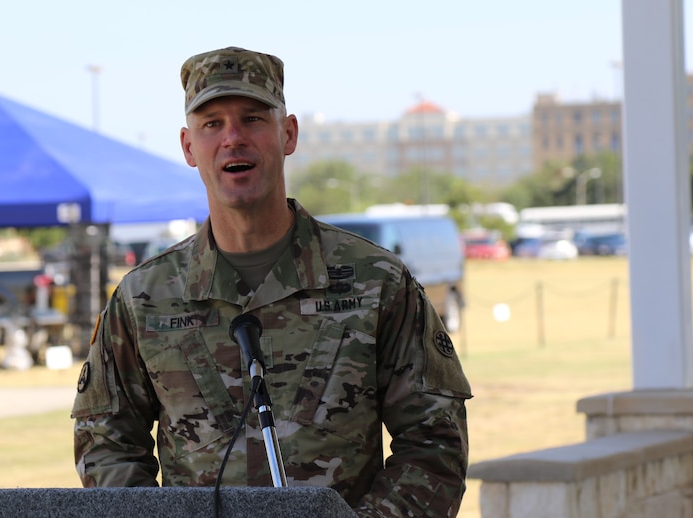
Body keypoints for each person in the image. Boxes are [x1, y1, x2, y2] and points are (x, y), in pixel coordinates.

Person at [72, 46, 472, 517]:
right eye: (212, 124)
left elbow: (434, 444)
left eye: (253, 119)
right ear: (187, 146)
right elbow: (107, 446)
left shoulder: (376, 282)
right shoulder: (143, 299)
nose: (233, 138)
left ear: (288, 134)